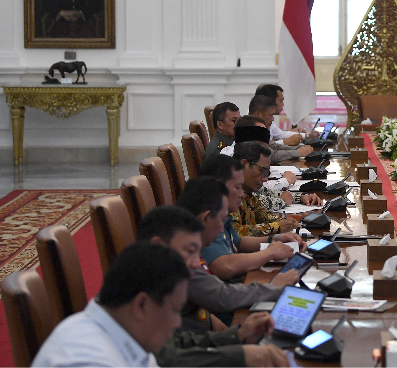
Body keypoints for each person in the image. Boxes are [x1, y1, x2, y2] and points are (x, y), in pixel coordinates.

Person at [135, 205, 291, 368]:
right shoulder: (142, 294)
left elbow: (180, 343)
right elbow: (168, 360)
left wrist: (237, 335)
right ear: (157, 245)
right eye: (190, 251)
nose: (197, 263)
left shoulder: (158, 284)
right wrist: (241, 355)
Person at [31, 242, 190, 368]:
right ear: (141, 305)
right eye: (175, 310)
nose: (178, 323)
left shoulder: (129, 334)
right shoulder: (87, 361)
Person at [198, 154, 303, 281]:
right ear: (217, 186)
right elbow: (225, 266)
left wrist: (275, 239)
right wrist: (269, 253)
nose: (242, 194)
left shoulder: (221, 212)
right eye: (237, 187)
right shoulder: (208, 217)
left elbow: (239, 242)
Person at [230, 123, 323, 211]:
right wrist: (281, 202)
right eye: (261, 171)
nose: (265, 179)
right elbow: (254, 204)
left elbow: (265, 192)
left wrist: (301, 197)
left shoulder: (243, 179)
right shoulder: (229, 187)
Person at [248, 95, 313, 160]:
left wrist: (300, 148)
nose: (273, 119)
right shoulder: (248, 128)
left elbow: (274, 146)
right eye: (270, 115)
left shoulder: (258, 129)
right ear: (258, 114)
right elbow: (271, 155)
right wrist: (298, 152)